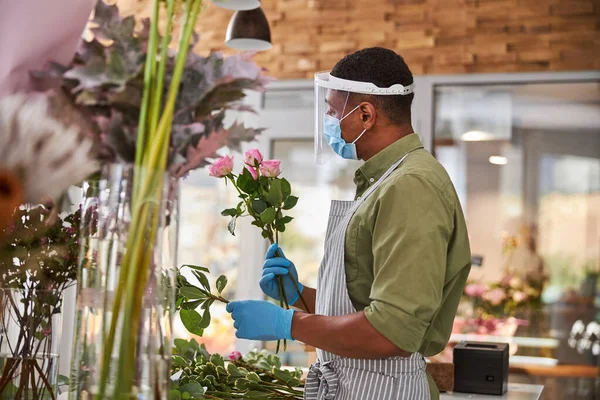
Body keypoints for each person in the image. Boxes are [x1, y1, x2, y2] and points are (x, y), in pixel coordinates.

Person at [226, 47, 472, 400]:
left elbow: (392, 331)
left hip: (382, 389)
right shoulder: (385, 180)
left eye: (331, 111)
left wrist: (287, 324)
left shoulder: (410, 186)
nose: (328, 121)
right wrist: (300, 296)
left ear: (366, 115)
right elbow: (362, 307)